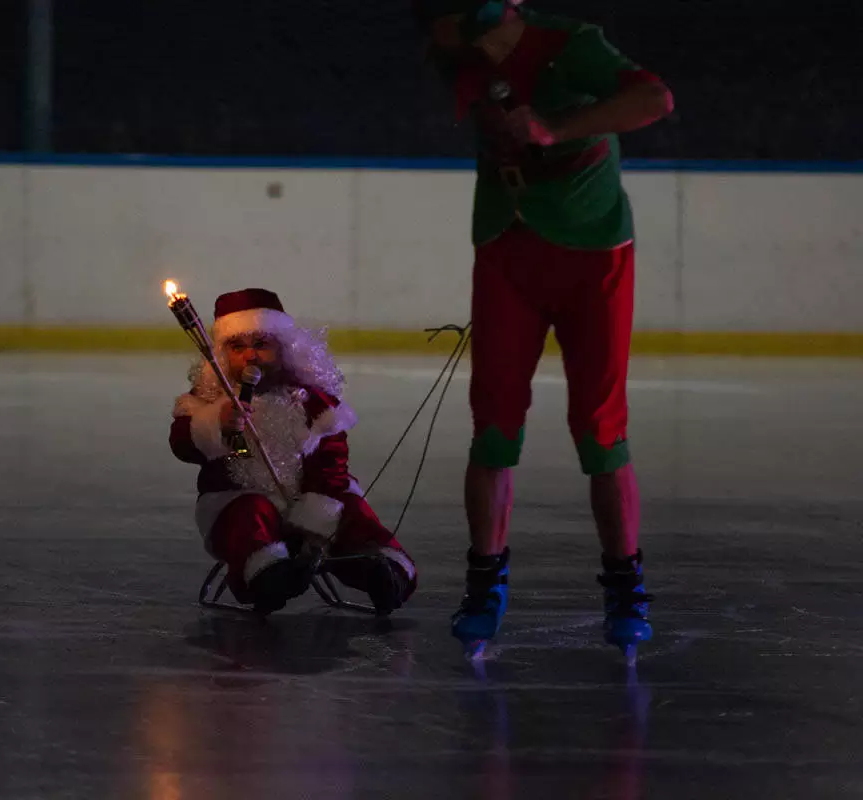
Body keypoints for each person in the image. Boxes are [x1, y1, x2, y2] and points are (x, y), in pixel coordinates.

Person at [410, 0, 675, 654]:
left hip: (593, 252)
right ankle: (484, 581)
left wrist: (558, 128)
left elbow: (654, 99)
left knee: (600, 427)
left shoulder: (572, 45)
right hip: (507, 248)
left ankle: (625, 584)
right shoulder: (460, 51)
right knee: (493, 425)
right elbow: (452, 51)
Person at [169, 288, 416, 615]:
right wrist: (214, 424)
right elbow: (183, 445)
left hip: (309, 498)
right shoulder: (208, 403)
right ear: (221, 354)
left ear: (284, 349)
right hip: (241, 499)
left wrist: (315, 513)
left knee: (350, 511)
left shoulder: (312, 403)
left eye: (261, 344)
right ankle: (267, 576)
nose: (250, 356)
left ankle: (382, 570)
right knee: (247, 516)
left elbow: (331, 462)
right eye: (237, 347)